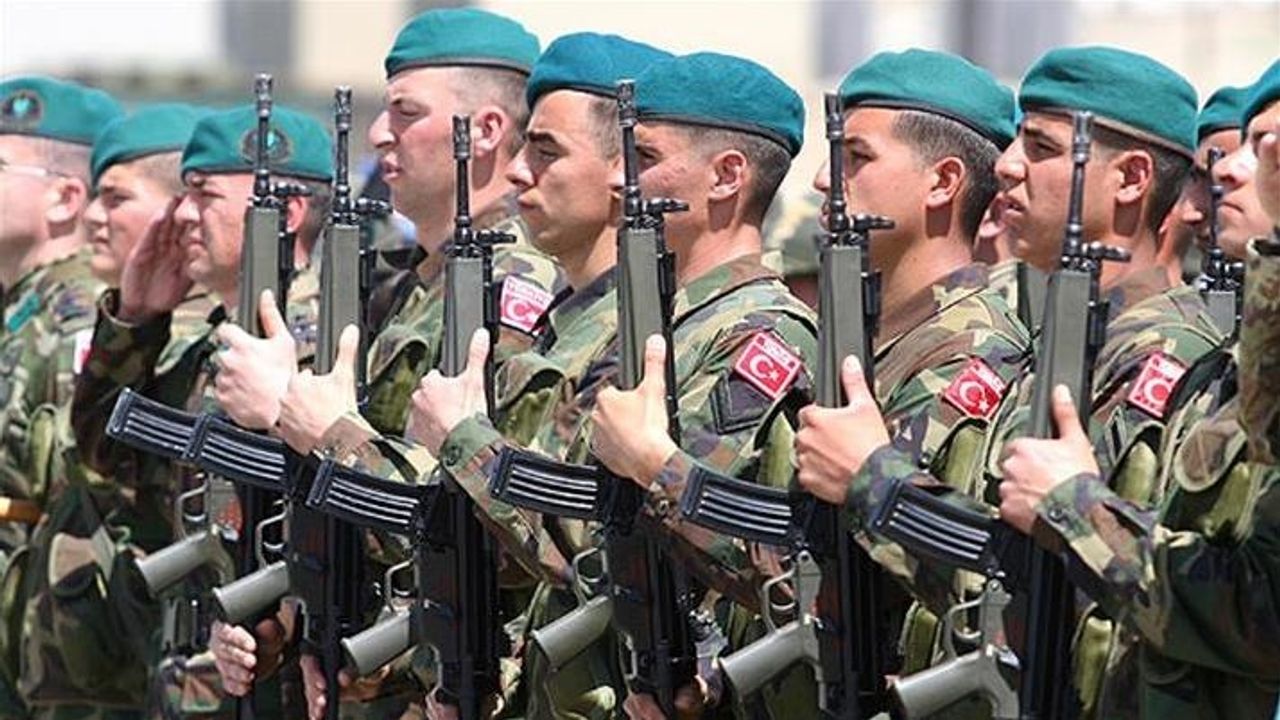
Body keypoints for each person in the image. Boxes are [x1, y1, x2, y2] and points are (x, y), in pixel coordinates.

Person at [203, 9, 565, 718]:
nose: (378, 134)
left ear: (485, 130)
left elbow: (488, 523)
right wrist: (293, 619)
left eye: (406, 112)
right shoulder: (405, 286)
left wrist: (300, 417)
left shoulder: (514, 287)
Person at [997, 59, 1280, 720]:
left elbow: (1260, 614)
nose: (1228, 172)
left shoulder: (1173, 355)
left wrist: (1074, 508)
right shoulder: (1225, 371)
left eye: (1268, 148)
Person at [70, 103, 335, 719]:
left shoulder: (322, 346)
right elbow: (109, 458)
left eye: (205, 195)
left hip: (274, 688)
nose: (182, 214)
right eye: (183, 193)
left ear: (286, 213)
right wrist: (135, 321)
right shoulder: (209, 346)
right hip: (193, 681)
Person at [0, 73, 122, 720]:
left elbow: (84, 489)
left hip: (62, 657)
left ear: (66, 197)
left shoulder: (80, 318)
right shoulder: (24, 308)